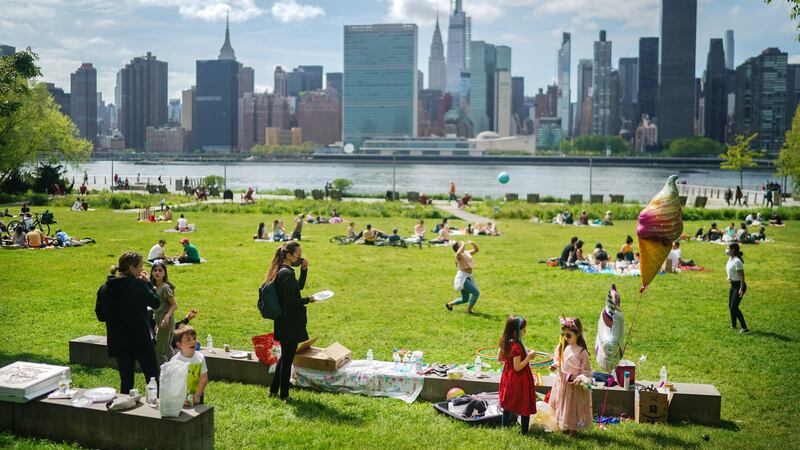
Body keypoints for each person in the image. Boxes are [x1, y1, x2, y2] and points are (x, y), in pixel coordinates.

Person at [95, 252, 160, 394]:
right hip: (141, 339)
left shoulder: (105, 288)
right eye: (140, 267)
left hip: (118, 340)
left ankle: (125, 412)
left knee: (126, 381)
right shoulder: (137, 285)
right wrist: (149, 283)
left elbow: (100, 316)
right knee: (152, 378)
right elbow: (155, 302)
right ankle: (155, 411)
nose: (141, 270)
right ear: (132, 268)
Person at [265, 242, 317, 401]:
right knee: (287, 360)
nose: (300, 258)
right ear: (289, 256)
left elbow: (297, 287)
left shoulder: (285, 271)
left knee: (285, 357)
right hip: (289, 322)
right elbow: (291, 302)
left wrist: (304, 270)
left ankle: (273, 390)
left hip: (285, 321)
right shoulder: (286, 274)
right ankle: (284, 395)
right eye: (298, 256)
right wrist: (309, 300)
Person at [548, 317, 592, 435]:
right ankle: (565, 426)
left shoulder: (582, 352)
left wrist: (579, 379)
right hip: (562, 383)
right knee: (563, 405)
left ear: (577, 334)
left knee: (573, 407)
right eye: (563, 335)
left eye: (569, 335)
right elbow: (558, 360)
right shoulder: (563, 347)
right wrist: (555, 365)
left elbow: (587, 371)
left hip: (574, 386)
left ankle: (573, 430)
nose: (565, 338)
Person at [498, 315, 537, 435]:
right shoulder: (516, 346)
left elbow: (500, 358)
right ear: (516, 332)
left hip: (508, 377)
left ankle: (505, 427)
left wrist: (523, 352)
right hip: (519, 379)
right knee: (524, 403)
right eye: (523, 330)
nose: (525, 332)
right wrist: (528, 357)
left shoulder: (506, 341)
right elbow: (518, 367)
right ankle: (524, 432)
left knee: (508, 402)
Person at [171, 325, 208, 406]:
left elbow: (204, 378)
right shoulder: (175, 361)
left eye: (194, 338)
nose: (193, 341)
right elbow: (172, 381)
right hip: (180, 396)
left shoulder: (200, 358)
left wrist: (198, 395)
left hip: (197, 394)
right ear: (179, 345)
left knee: (198, 416)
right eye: (188, 340)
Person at [151, 262, 177, 364]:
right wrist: (157, 323)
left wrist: (166, 317)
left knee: (159, 350)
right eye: (155, 270)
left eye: (160, 270)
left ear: (164, 273)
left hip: (166, 321)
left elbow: (174, 305)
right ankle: (176, 369)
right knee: (166, 347)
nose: (157, 272)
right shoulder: (154, 287)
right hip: (159, 320)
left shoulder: (165, 288)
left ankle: (165, 372)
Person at [445, 240, 480, 314]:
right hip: (462, 278)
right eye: (459, 244)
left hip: (468, 277)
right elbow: (458, 252)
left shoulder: (467, 253)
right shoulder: (458, 255)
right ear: (458, 247)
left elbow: (476, 250)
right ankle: (468, 311)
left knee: (465, 299)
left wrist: (472, 243)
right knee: (476, 293)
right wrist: (463, 244)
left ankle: (450, 304)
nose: (461, 243)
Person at [726, 243, 749, 334]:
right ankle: (733, 325)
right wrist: (729, 277)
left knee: (734, 307)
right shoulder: (731, 259)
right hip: (733, 285)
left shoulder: (737, 261)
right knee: (730, 306)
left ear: (734, 250)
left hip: (739, 286)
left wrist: (741, 288)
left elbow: (742, 276)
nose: (726, 250)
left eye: (728, 248)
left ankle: (745, 328)